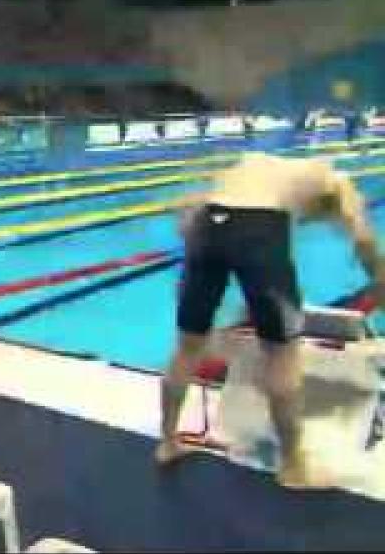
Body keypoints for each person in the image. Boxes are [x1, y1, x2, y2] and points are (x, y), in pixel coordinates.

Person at [158, 151, 384, 489]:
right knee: (281, 355)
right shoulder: (335, 179)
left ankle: (167, 443)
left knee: (187, 346)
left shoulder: (257, 166)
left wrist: (191, 295)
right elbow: (363, 238)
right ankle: (294, 467)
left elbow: (189, 222)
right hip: (258, 231)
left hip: (207, 224)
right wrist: (379, 281)